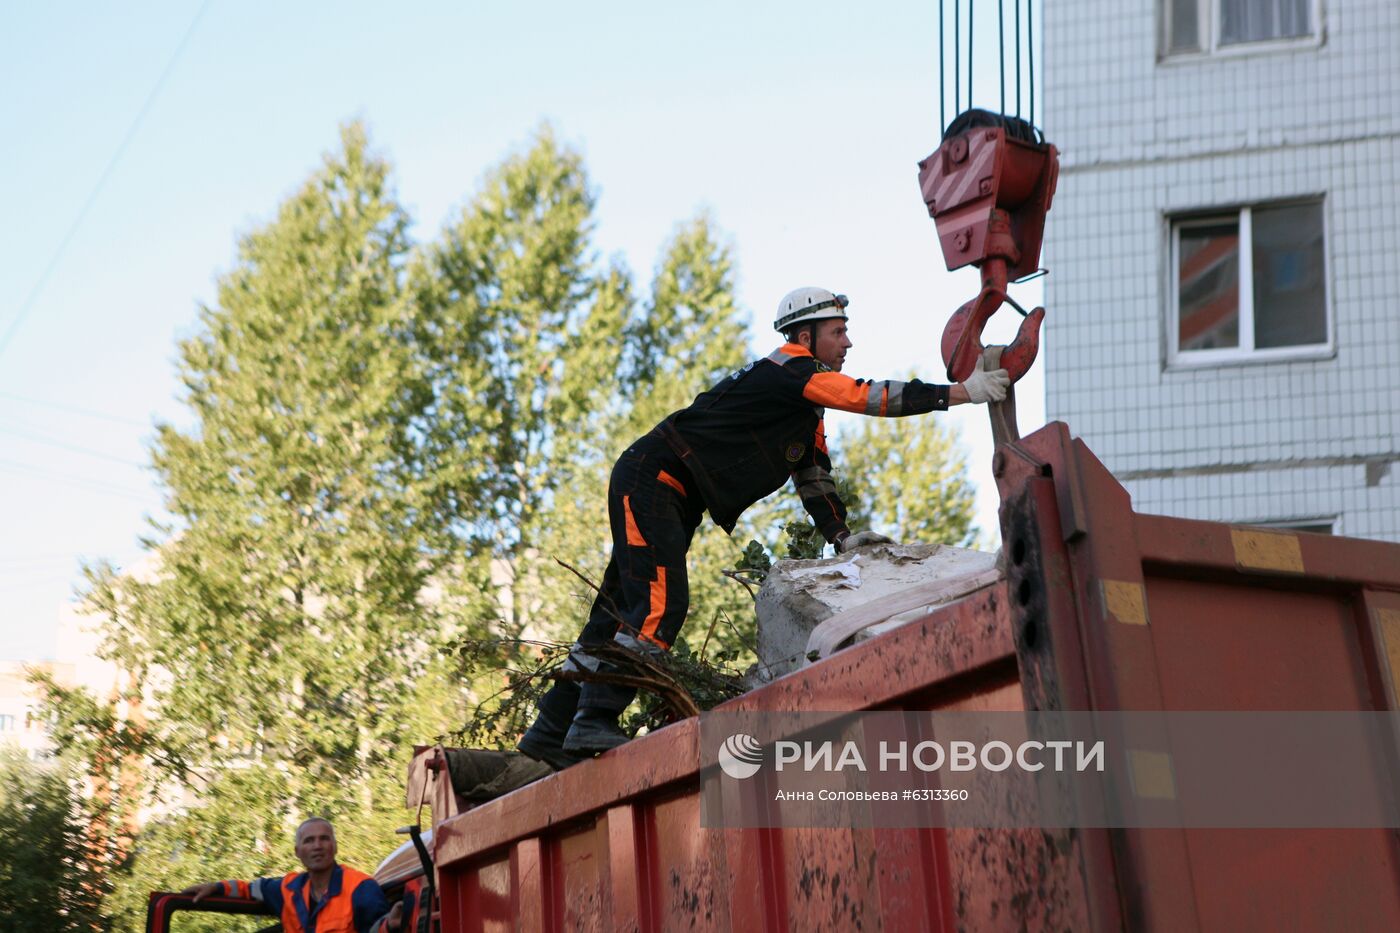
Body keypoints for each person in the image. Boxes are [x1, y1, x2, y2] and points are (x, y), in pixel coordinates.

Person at [517, 287, 1010, 768]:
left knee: (614, 614)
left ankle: (549, 732)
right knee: (659, 604)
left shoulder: (802, 406)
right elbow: (869, 397)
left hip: (663, 489)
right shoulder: (792, 370)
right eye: (838, 332)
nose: (848, 342)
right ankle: (593, 719)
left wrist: (841, 536)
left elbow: (813, 475)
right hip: (654, 479)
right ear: (805, 334)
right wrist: (961, 393)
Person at [181, 817, 401, 933]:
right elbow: (249, 889)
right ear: (298, 852)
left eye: (324, 839)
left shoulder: (361, 887)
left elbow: (375, 928)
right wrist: (217, 887)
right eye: (309, 840)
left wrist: (389, 925)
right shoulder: (288, 888)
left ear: (335, 847)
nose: (317, 846)